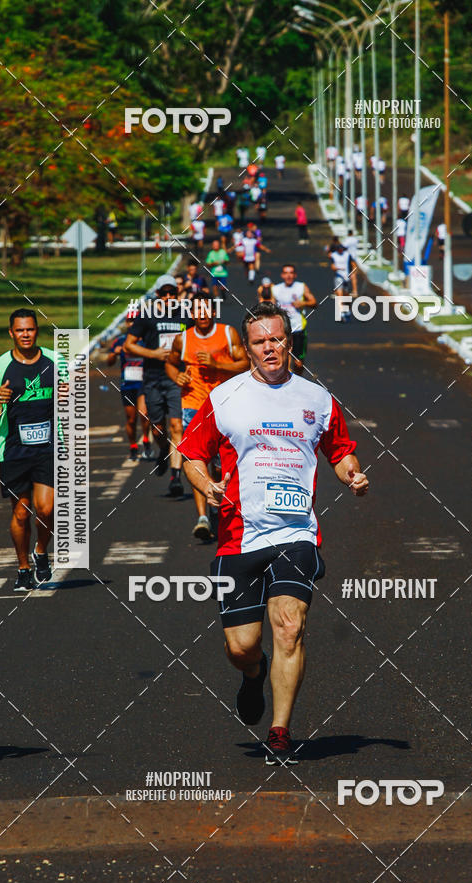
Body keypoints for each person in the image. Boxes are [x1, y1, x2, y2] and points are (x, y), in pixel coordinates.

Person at [179, 302, 369, 764]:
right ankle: (252, 674)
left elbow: (340, 450)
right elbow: (191, 454)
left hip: (296, 534)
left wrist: (352, 474)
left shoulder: (315, 398)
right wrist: (207, 483)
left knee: (289, 627)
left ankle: (280, 731)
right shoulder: (225, 397)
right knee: (242, 646)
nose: (270, 347)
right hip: (238, 536)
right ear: (247, 349)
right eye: (260, 341)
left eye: (277, 339)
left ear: (289, 343)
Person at [0, 309, 59, 590]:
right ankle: (23, 566)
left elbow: (73, 392)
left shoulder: (54, 360)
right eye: (20, 330)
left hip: (48, 446)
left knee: (46, 508)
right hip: (13, 449)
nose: (25, 335)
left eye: (30, 329)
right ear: (11, 333)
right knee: (21, 512)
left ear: (36, 330)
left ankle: (40, 550)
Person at [167, 295, 249, 539]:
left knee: (222, 463)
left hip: (225, 405)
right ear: (192, 314)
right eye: (197, 311)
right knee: (196, 459)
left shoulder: (227, 334)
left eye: (206, 310)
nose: (202, 315)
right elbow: (170, 363)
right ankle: (202, 516)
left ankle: (223, 507)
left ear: (213, 311)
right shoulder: (183, 339)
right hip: (193, 405)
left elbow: (245, 363)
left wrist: (217, 365)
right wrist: (176, 377)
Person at [124, 274, 187, 497]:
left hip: (176, 379)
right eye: (164, 293)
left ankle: (176, 477)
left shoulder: (185, 315)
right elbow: (128, 345)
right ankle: (163, 451)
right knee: (158, 429)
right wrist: (153, 353)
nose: (169, 297)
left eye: (173, 293)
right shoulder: (147, 316)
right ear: (158, 295)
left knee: (178, 427)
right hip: (152, 378)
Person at [107, 312, 152, 461]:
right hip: (128, 384)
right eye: (130, 321)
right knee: (131, 419)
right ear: (126, 323)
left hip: (143, 382)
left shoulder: (147, 339)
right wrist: (114, 353)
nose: (132, 324)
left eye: (135, 321)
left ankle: (146, 438)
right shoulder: (120, 340)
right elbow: (109, 362)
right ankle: (133, 445)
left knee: (144, 414)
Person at [270, 264, 317, 375]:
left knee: (298, 363)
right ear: (282, 275)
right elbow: (271, 308)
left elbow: (314, 303)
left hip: (298, 329)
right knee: (283, 360)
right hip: (282, 330)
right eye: (286, 273)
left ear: (295, 275)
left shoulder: (301, 287)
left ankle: (298, 380)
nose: (289, 276)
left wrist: (303, 303)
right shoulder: (276, 289)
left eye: (291, 273)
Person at [329, 237, 358, 312]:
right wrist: (337, 268)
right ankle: (341, 311)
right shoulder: (334, 255)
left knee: (345, 294)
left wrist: (353, 271)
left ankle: (348, 306)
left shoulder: (347, 255)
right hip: (338, 276)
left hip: (346, 277)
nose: (340, 251)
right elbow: (332, 266)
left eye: (341, 249)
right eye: (339, 250)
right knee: (339, 294)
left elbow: (353, 264)